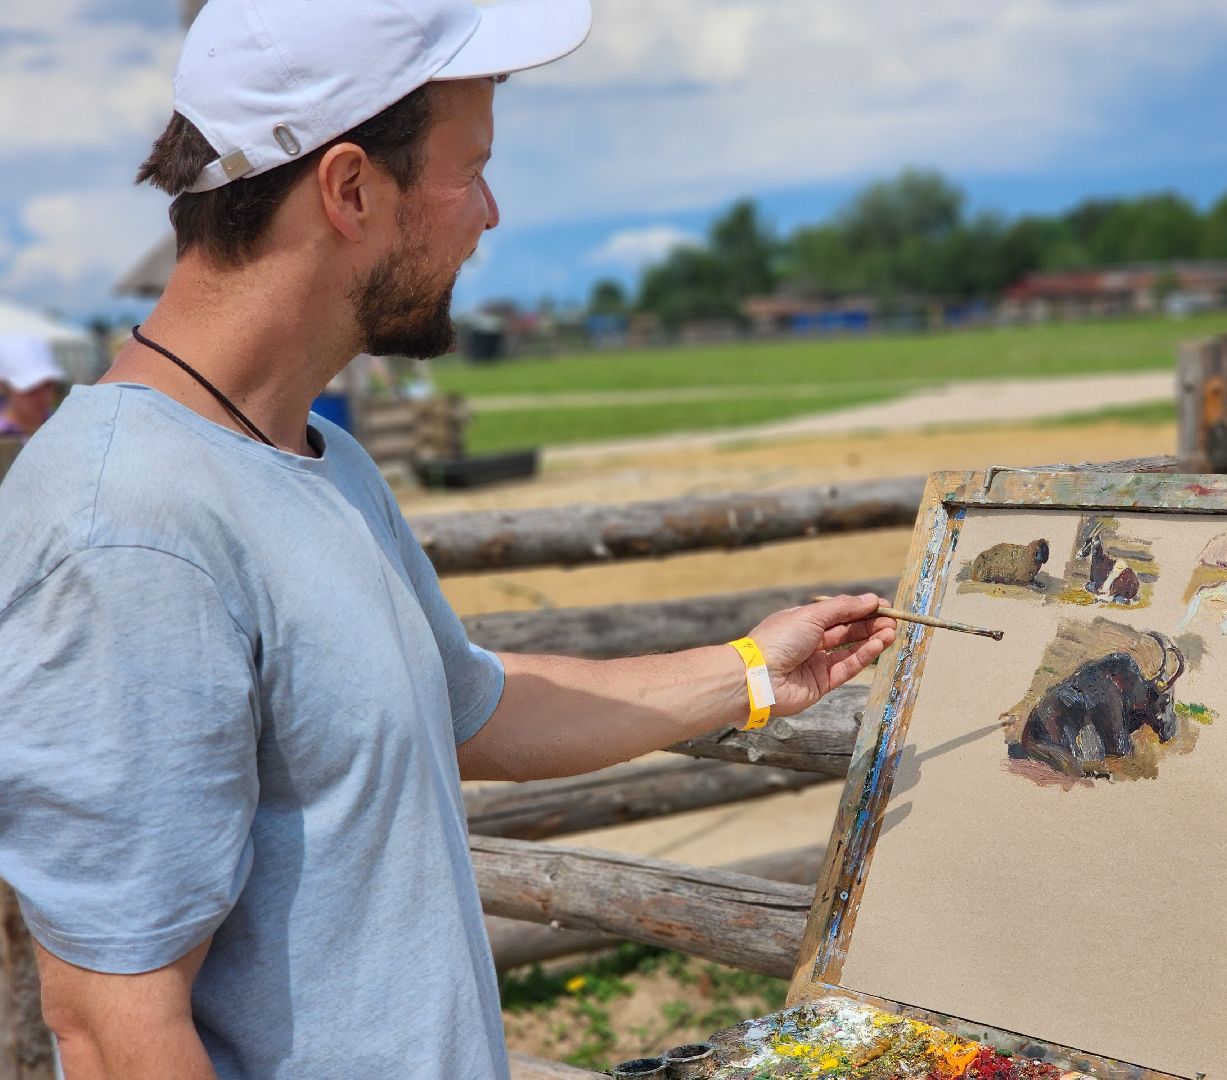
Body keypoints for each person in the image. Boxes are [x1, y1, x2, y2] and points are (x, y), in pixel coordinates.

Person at [0, 1, 896, 1078]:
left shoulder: (310, 458)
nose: (491, 213)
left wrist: (752, 672)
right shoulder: (128, 532)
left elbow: (469, 705)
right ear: (348, 188)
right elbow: (112, 1028)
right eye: (468, 170)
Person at [0, 334, 66, 437]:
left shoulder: (66, 425)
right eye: (30, 388)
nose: (42, 397)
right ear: (3, 385)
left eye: (47, 385)